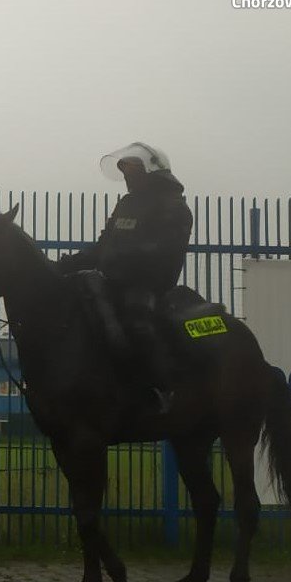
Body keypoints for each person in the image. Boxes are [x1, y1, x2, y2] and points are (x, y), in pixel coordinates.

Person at [56, 142, 193, 410]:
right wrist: (65, 264)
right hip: (113, 280)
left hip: (148, 284)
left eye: (132, 170)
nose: (127, 177)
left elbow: (164, 249)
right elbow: (102, 246)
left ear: (151, 171)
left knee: (138, 323)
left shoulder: (174, 206)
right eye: (125, 171)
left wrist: (122, 256)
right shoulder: (127, 204)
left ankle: (160, 387)